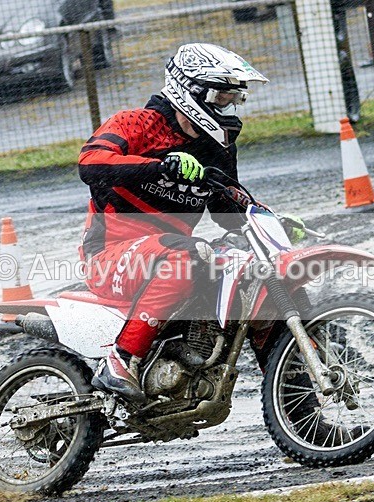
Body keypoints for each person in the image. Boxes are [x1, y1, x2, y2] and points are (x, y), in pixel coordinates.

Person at [78, 43, 297, 402]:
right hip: (110, 255)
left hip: (169, 251)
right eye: (221, 96)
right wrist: (159, 166)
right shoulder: (136, 123)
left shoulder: (216, 147)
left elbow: (227, 204)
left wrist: (270, 220)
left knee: (254, 273)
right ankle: (121, 360)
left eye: (232, 99)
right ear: (191, 89)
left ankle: (299, 405)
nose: (226, 106)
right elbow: (90, 164)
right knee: (190, 254)